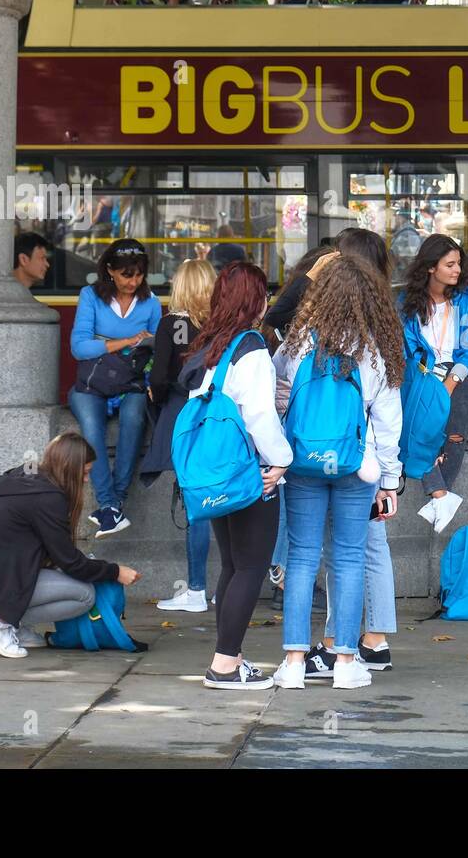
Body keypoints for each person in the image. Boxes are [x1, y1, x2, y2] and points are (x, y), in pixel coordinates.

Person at [273, 255, 405, 690]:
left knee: (302, 557)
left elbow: (277, 396)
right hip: (357, 467)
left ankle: (293, 662)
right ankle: (345, 662)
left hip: (303, 463)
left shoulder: (296, 344)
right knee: (348, 558)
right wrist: (390, 481)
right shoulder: (373, 350)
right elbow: (388, 421)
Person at [182, 262, 293, 689]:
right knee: (250, 569)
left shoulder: (211, 346)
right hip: (251, 472)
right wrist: (280, 460)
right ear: (257, 301)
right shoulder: (253, 348)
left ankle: (229, 658)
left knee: (232, 566)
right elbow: (260, 416)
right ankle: (225, 665)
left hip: (216, 471)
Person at [0, 433, 141, 659]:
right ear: (69, 468)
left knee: (74, 585)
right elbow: (71, 563)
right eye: (85, 473)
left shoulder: (26, 478)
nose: (87, 480)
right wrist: (115, 571)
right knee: (84, 595)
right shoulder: (49, 498)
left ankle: (14, 625)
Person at [138, 259, 218, 612]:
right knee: (212, 502)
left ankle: (197, 590)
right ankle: (210, 588)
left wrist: (156, 391)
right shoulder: (220, 324)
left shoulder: (173, 323)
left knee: (194, 505)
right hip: (215, 416)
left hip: (180, 416)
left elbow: (160, 376)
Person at [69, 239, 162, 538]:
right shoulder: (90, 296)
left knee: (134, 419)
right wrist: (128, 341)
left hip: (132, 382)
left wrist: (107, 342)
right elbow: (79, 347)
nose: (133, 281)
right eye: (126, 275)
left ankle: (114, 503)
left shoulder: (151, 303)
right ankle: (109, 502)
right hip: (92, 383)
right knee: (92, 429)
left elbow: (160, 350)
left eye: (138, 275)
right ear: (109, 271)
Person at [399, 235, 468, 533]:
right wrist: (429, 377)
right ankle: (441, 496)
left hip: (465, 371)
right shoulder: (407, 303)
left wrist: (451, 380)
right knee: (420, 421)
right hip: (423, 372)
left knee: (456, 425)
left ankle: (439, 490)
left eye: (459, 263)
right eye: (449, 264)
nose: (457, 270)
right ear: (430, 268)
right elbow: (407, 349)